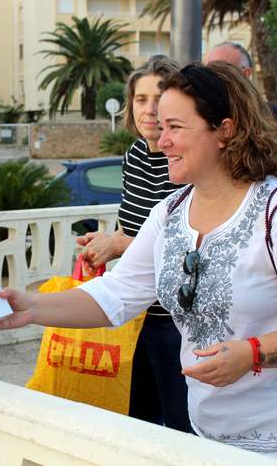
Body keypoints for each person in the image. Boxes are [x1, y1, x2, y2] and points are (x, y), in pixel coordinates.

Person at [0, 62, 277, 464]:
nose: (161, 142)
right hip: (208, 424)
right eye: (160, 127)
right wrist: (31, 307)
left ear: (225, 130)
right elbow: (117, 294)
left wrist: (253, 353)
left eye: (175, 127)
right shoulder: (169, 213)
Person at [77, 55, 192, 431]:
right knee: (136, 423)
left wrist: (121, 244)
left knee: (182, 428)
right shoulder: (136, 155)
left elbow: (187, 241)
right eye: (140, 99)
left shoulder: (186, 159)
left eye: (159, 98)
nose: (149, 109)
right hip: (135, 316)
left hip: (176, 320)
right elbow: (134, 227)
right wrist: (105, 242)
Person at [204, 42, 277, 192]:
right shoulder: (199, 117)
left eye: (223, 71)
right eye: (207, 71)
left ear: (246, 74)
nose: (212, 79)